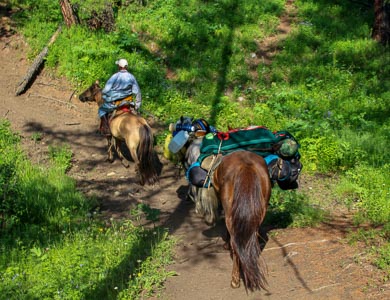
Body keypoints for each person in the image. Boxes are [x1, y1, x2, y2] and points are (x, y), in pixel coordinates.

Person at [98, 58, 142, 134]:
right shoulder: (131, 77)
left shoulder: (115, 76)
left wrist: (104, 93)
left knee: (101, 110)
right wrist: (137, 105)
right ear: (126, 67)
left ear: (119, 66)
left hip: (116, 103)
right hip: (128, 102)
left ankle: (106, 128)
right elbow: (137, 92)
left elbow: (106, 89)